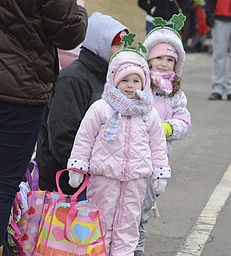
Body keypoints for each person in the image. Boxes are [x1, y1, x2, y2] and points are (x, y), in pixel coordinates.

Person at [0, 0, 87, 254]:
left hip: (16, 84)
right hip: (19, 88)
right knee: (1, 183)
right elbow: (69, 33)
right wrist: (79, 9)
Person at [66, 38, 171, 256]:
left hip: (135, 181)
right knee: (100, 221)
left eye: (136, 81)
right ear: (114, 80)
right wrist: (77, 166)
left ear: (143, 83)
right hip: (104, 179)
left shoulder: (148, 112)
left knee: (128, 225)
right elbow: (84, 137)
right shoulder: (101, 108)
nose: (131, 86)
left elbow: (158, 145)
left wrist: (160, 171)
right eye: (125, 81)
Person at [36, 12, 129, 195]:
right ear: (99, 45)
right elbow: (63, 137)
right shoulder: (72, 79)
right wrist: (92, 172)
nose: (123, 49)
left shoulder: (113, 78)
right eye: (117, 44)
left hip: (100, 178)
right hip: (69, 185)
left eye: (124, 44)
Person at [135, 14, 192, 256]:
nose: (164, 63)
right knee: (131, 204)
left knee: (145, 203)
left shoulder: (175, 94)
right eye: (159, 57)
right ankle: (132, 244)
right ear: (148, 58)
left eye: (170, 59)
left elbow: (184, 120)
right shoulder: (138, 85)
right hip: (133, 154)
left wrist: (169, 127)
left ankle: (136, 241)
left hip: (157, 160)